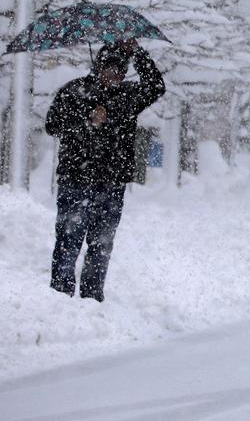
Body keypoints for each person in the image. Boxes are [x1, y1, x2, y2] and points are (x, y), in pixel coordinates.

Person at [44, 39, 165, 301]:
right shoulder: (74, 91)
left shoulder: (129, 96)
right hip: (76, 179)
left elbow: (156, 86)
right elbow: (52, 125)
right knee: (68, 240)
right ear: (99, 67)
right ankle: (59, 298)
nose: (116, 74)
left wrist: (138, 53)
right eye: (110, 68)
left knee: (101, 245)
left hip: (111, 184)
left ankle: (92, 299)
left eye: (121, 69)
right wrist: (86, 119)